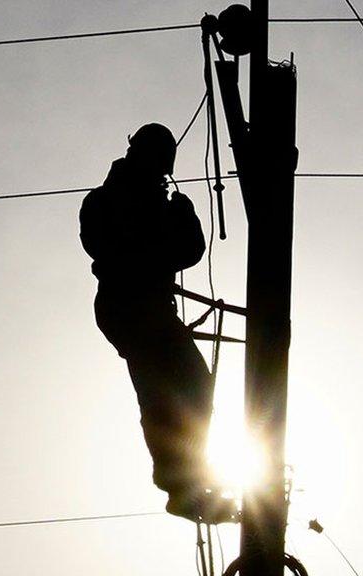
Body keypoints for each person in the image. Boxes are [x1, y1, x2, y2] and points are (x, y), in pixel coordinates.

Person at [79, 123, 233, 523]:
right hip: (130, 307)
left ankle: (188, 480)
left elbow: (188, 252)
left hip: (146, 310)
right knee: (170, 390)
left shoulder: (156, 204)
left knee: (187, 387)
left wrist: (183, 217)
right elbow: (119, 248)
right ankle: (182, 485)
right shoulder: (107, 200)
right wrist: (169, 228)